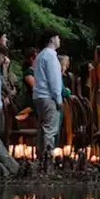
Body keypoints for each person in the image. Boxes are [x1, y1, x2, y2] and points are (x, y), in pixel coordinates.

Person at [33, 29, 63, 158]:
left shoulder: (40, 56)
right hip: (48, 97)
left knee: (42, 129)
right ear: (52, 39)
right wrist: (58, 99)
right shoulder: (51, 56)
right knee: (50, 130)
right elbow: (54, 80)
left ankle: (40, 156)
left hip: (38, 96)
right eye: (58, 37)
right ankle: (47, 159)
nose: (59, 40)